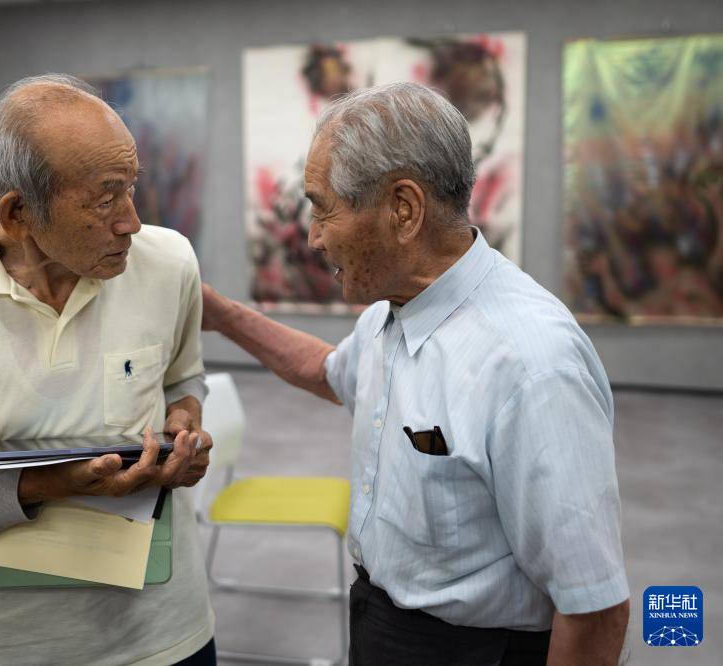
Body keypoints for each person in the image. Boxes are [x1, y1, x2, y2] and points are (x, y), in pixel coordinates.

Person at [201, 82, 630, 665]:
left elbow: (594, 608)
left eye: (324, 208)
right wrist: (223, 315)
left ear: (403, 209)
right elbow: (327, 371)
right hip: (384, 620)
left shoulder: (531, 364)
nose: (314, 237)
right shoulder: (393, 311)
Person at [0, 73, 217, 666]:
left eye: (132, 187)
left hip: (165, 634)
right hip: (2, 646)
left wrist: (185, 418)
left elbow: (183, 376)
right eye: (105, 199)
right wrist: (49, 484)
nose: (131, 221)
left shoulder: (168, 261)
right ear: (19, 212)